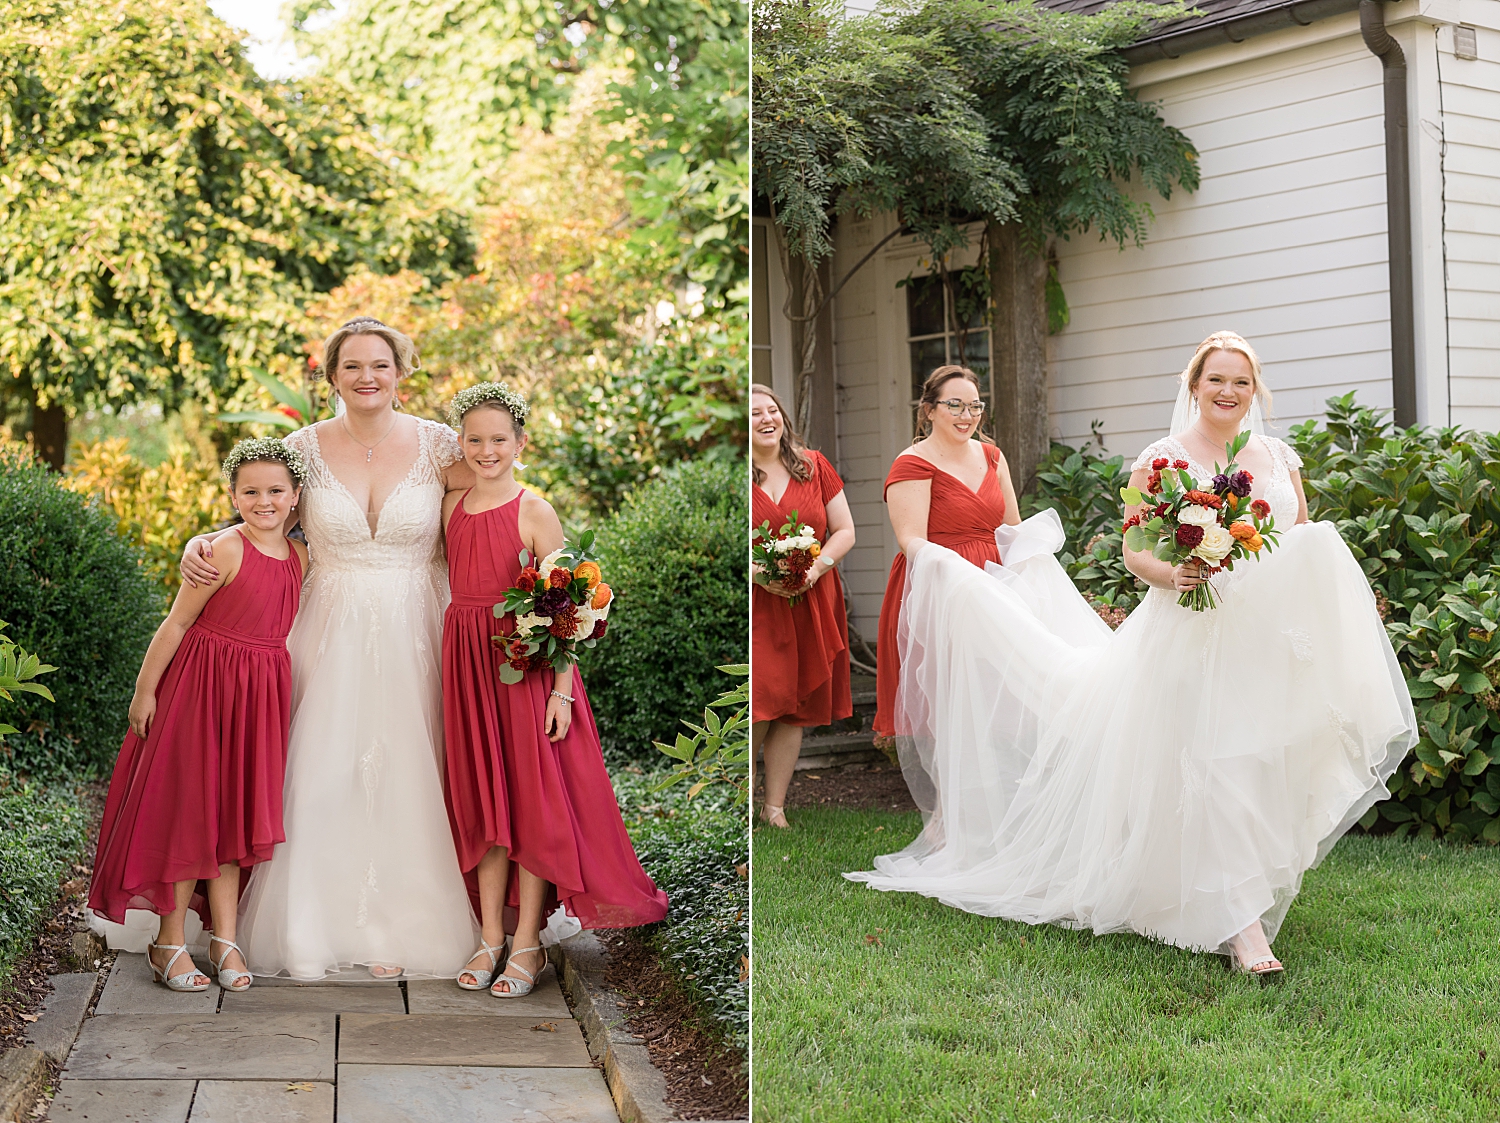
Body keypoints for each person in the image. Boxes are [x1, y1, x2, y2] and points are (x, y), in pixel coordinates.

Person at [848, 331, 1417, 976]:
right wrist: (1172, 574)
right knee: (1215, 763)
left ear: (1254, 390)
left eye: (1241, 382)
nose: (1228, 392)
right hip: (1193, 633)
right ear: (1194, 387)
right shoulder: (1162, 459)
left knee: (1260, 765)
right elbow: (1135, 551)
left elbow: (1301, 540)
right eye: (1216, 381)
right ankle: (1244, 930)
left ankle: (1241, 887)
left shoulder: (1280, 459)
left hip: (1269, 641)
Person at [179, 318, 480, 979]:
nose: (367, 376)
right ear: (331, 375)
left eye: (380, 364)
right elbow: (259, 512)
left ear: (402, 370)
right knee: (321, 771)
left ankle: (403, 925)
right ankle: (313, 922)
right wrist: (199, 542)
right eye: (352, 365)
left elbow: (498, 496)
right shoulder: (300, 448)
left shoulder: (440, 445)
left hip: (418, 627)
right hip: (324, 624)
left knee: (412, 769)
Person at [440, 383, 668, 995]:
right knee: (483, 800)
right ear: (460, 444)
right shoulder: (450, 504)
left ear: (521, 443)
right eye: (475, 439)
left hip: (527, 669)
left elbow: (564, 609)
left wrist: (561, 692)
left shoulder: (533, 510)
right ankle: (490, 934)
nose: (487, 450)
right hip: (465, 664)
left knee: (531, 803)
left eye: (499, 439)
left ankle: (526, 946)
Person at [89, 439, 308, 991]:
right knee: (193, 811)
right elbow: (176, 624)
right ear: (232, 495)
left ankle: (225, 940)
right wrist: (145, 691)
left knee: (235, 815)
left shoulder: (303, 559)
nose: (264, 501)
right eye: (251, 491)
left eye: (276, 491)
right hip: (203, 688)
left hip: (259, 695)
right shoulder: (223, 551)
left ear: (296, 497)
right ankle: (168, 941)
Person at [874, 366, 1022, 742]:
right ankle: (946, 801)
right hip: (939, 587)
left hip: (995, 584)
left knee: (996, 696)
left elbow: (1012, 528)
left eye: (975, 406)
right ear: (929, 410)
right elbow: (911, 540)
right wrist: (961, 576)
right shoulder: (912, 463)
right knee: (949, 703)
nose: (967, 416)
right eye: (954, 405)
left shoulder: (993, 458)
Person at [750, 387, 855, 828]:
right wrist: (760, 575)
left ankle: (775, 807)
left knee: (794, 705)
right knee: (760, 701)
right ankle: (742, 801)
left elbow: (845, 530)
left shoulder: (814, 465)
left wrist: (812, 571)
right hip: (759, 605)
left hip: (810, 597)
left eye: (772, 410)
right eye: (754, 413)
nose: (766, 418)